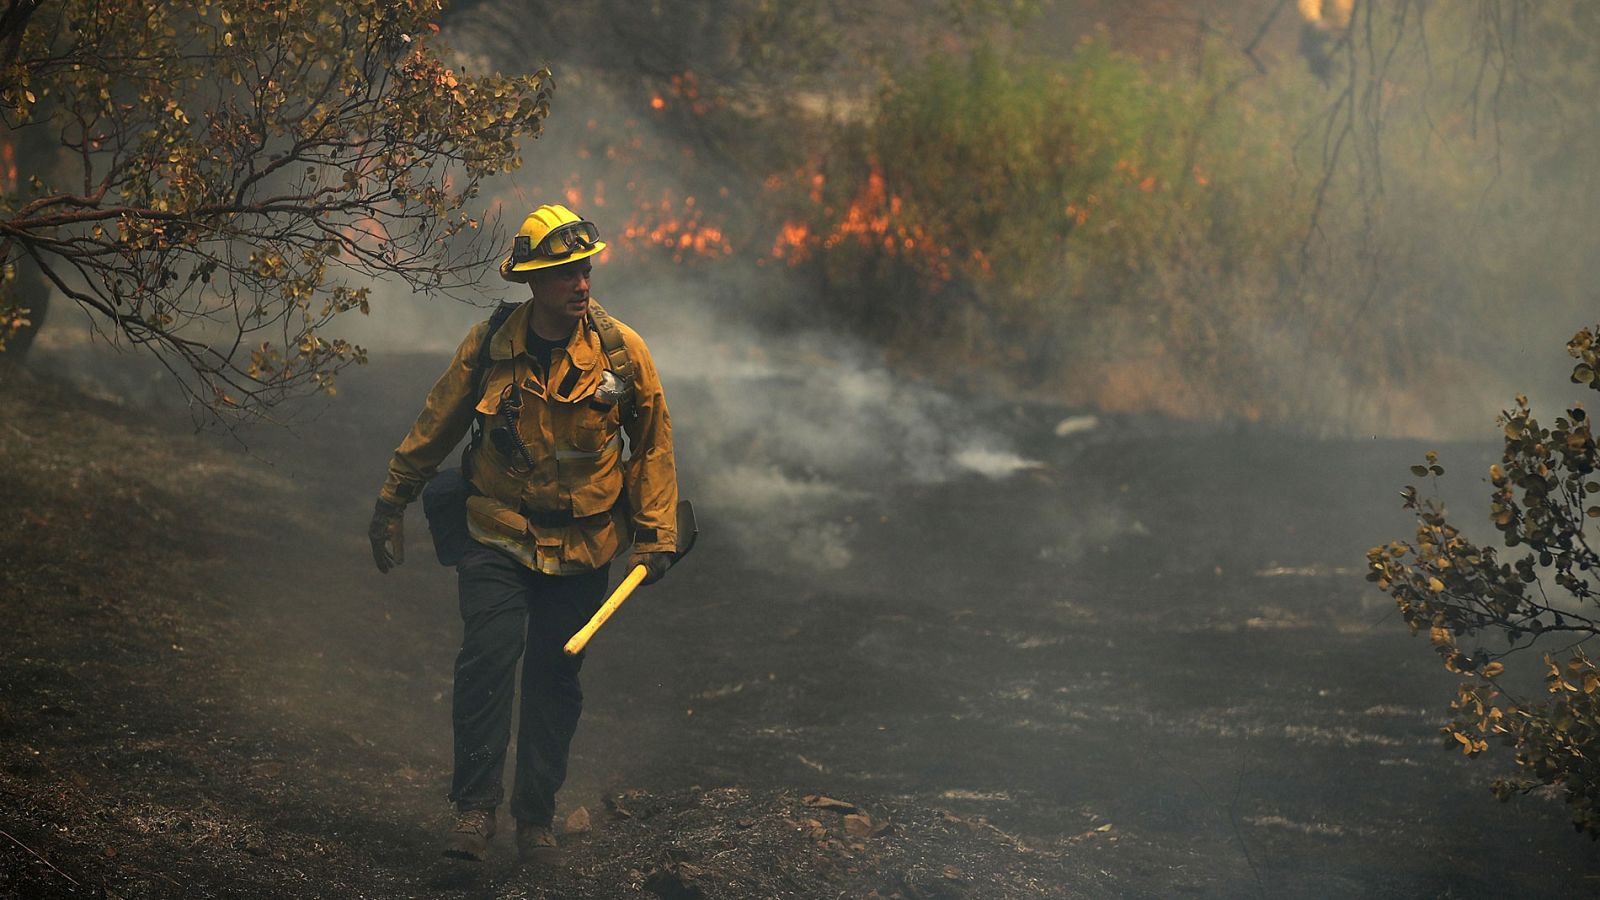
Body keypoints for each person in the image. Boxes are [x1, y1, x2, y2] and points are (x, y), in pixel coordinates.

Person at [366, 204, 680, 864]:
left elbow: (652, 445)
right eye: (566, 273)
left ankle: (535, 817)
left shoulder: (622, 353)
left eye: (586, 270)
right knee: (488, 658)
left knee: (556, 677)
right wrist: (393, 499)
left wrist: (655, 533)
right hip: (497, 532)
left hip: (585, 547)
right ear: (534, 282)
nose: (582, 285)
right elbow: (438, 425)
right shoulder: (488, 346)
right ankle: (474, 813)